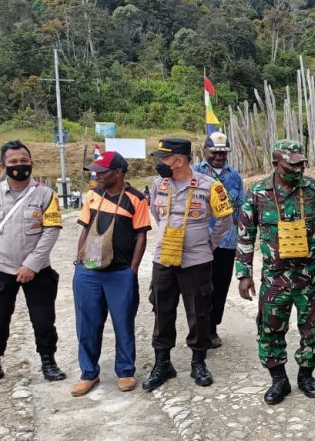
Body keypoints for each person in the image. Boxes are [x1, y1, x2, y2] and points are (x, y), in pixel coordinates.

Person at [237, 139, 315, 406]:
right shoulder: (258, 192)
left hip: (311, 275)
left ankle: (306, 375)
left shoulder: (313, 189)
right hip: (275, 277)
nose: (297, 170)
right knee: (270, 328)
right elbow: (246, 234)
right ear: (276, 163)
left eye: (301, 165)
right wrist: (244, 273)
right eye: (290, 166)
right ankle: (279, 379)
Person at [143, 138, 233, 391]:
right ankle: (163, 363)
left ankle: (198, 363)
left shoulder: (209, 186)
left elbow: (225, 219)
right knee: (162, 309)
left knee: (199, 311)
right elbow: (157, 214)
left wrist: (208, 243)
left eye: (164, 158)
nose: (160, 162)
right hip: (164, 258)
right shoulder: (158, 184)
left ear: (179, 160)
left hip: (196, 260)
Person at [71, 151, 150, 397]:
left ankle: (125, 371)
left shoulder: (136, 199)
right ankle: (88, 373)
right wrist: (80, 263)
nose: (96, 176)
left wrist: (132, 271)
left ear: (117, 173)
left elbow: (141, 236)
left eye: (101, 172)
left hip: (120, 274)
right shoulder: (93, 196)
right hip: (89, 273)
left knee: (123, 324)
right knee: (87, 325)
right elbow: (85, 230)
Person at [0, 140, 66, 382]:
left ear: (31, 163)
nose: (20, 165)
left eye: (24, 161)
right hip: (2, 268)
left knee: (43, 320)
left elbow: (51, 231)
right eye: (13, 162)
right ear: (3, 166)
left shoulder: (46, 194)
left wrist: (31, 265)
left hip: (38, 270)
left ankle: (48, 362)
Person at [193, 132, 244, 348]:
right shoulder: (194, 173)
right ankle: (198, 329)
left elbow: (241, 208)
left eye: (222, 153)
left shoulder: (235, 177)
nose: (218, 157)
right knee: (199, 287)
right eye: (214, 152)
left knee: (220, 287)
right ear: (205, 150)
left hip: (226, 242)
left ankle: (212, 328)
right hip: (199, 242)